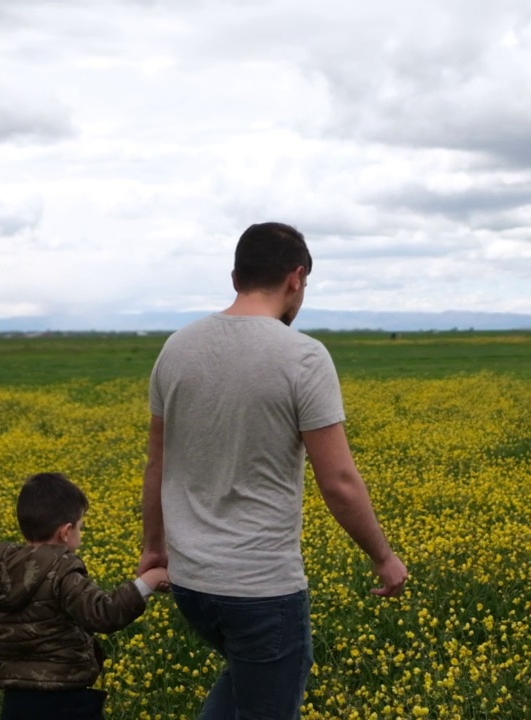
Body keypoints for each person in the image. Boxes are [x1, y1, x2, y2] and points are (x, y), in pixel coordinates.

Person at [140, 221, 409, 719]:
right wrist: (383, 556)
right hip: (260, 588)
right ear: (296, 278)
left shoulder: (175, 348)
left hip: (193, 584)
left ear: (235, 276)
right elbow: (340, 482)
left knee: (245, 683)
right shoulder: (302, 356)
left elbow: (158, 462)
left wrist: (153, 548)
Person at [0, 472, 170, 720]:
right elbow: (102, 614)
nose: (81, 532)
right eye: (81, 526)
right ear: (66, 532)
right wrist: (148, 582)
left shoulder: (1, 575)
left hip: (16, 702)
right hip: (64, 700)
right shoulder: (61, 570)